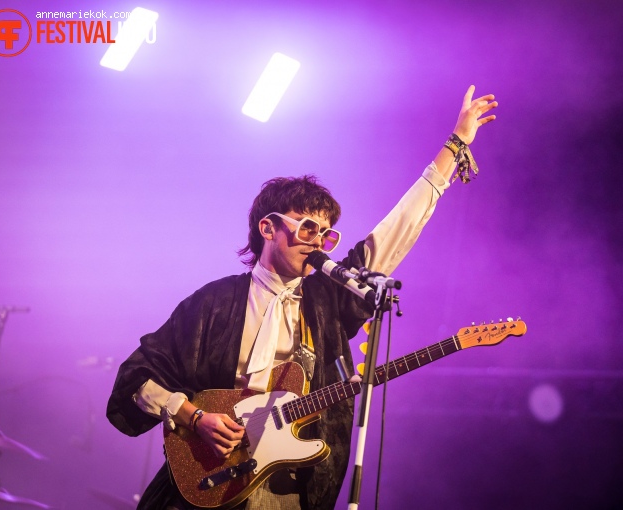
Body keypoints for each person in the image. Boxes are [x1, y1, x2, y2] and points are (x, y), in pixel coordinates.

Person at [106, 86, 498, 510]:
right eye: (309, 227)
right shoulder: (212, 304)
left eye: (327, 234)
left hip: (284, 488)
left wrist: (453, 147)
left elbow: (393, 234)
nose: (320, 242)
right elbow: (136, 378)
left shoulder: (327, 301)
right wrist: (194, 417)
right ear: (268, 228)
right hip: (204, 479)